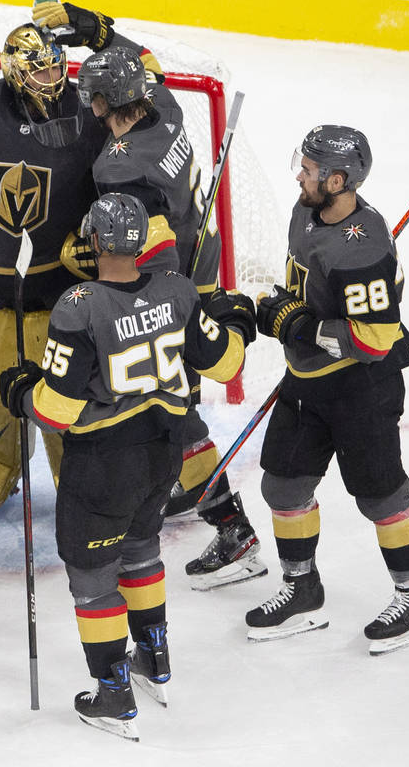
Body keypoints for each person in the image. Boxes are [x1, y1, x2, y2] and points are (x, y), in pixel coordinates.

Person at [0, 192, 255, 739]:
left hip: (102, 464)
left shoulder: (79, 304)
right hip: (162, 453)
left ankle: (113, 692)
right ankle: (153, 660)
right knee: (140, 549)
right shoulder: (178, 290)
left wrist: (20, 392)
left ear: (92, 241)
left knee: (92, 575)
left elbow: (56, 411)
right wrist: (230, 317)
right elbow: (228, 359)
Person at [0, 2, 164, 511]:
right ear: (13, 71)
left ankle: (76, 462)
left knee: (69, 406)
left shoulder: (92, 110)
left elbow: (149, 88)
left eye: (57, 65)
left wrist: (101, 33)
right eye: (40, 68)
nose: (52, 77)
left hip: (63, 299)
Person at [75, 45, 267, 589]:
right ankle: (198, 486)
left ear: (101, 102)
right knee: (177, 394)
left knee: (171, 405)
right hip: (199, 254)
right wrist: (97, 30)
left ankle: (232, 527)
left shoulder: (119, 166)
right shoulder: (166, 105)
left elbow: (146, 246)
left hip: (167, 277)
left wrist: (133, 294)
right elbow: (148, 61)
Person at [245, 125, 409, 656]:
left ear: (338, 179)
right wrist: (278, 308)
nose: (299, 175)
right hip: (306, 381)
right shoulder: (305, 212)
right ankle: (302, 589)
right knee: (282, 487)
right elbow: (300, 287)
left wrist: (297, 326)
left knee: (382, 496)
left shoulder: (364, 249)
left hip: (362, 389)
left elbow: (375, 340)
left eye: (309, 169)